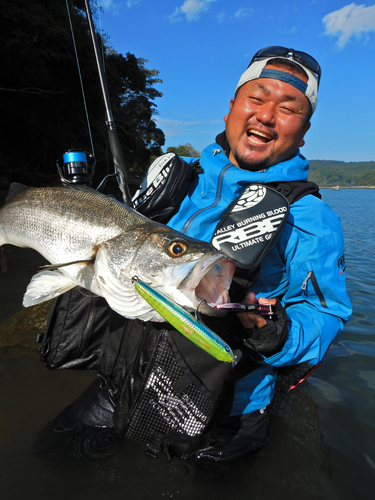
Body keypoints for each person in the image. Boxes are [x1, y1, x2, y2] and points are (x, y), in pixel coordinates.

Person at [38, 46, 352, 462]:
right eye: (256, 99)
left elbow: (327, 315)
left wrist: (273, 331)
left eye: (288, 107)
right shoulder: (175, 175)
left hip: (227, 408)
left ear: (305, 129)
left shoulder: (311, 218)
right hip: (127, 374)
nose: (265, 115)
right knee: (50, 457)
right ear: (231, 108)